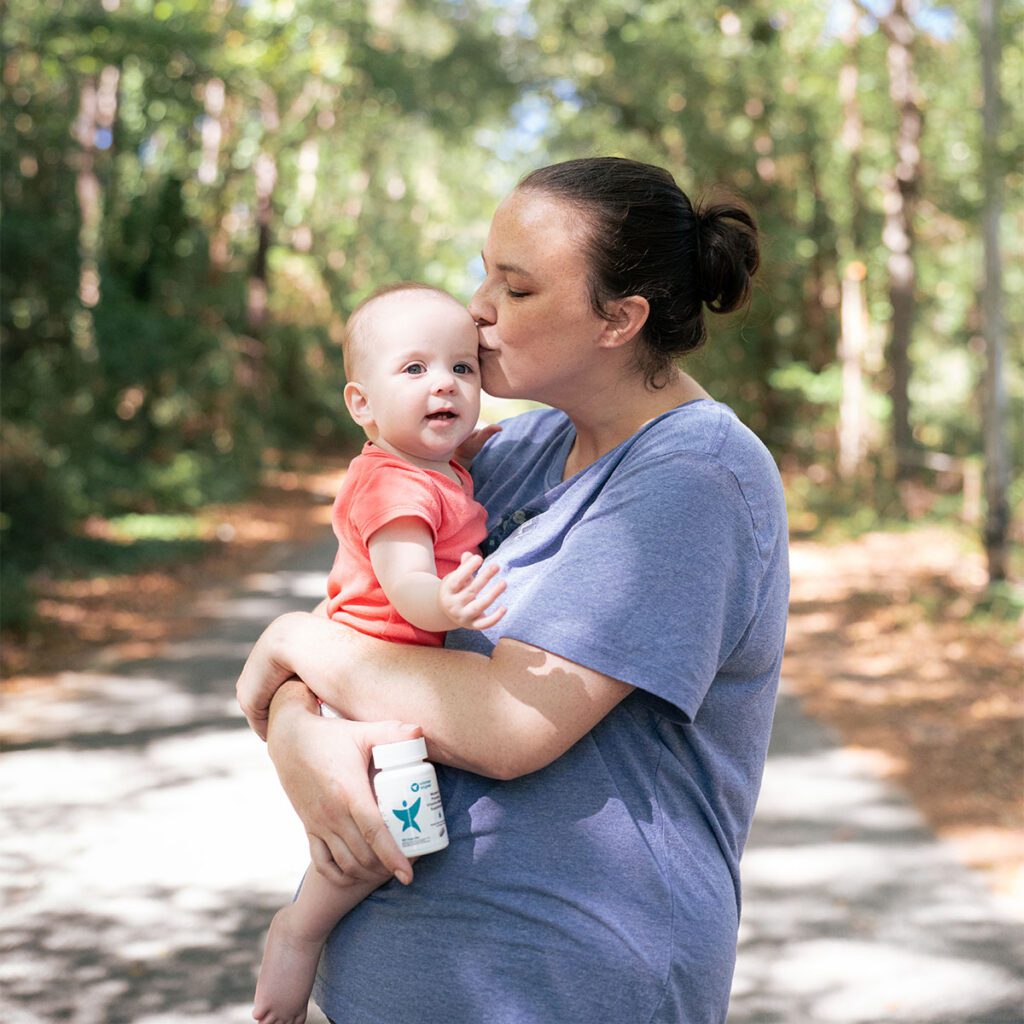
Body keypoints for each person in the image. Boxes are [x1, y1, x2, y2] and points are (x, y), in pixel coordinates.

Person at [237, 156, 790, 1024]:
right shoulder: (509, 452)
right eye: (484, 271)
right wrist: (296, 735)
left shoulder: (694, 478)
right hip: (391, 984)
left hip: (569, 986)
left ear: (621, 318)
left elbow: (506, 724)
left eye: (518, 288)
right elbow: (367, 620)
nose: (479, 306)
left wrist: (289, 644)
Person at [252, 283, 506, 1024]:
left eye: (463, 369)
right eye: (415, 369)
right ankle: (300, 929)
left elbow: (455, 463)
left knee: (401, 823)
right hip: (367, 671)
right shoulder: (392, 487)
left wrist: (467, 449)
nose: (445, 385)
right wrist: (447, 607)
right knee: (388, 832)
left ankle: (306, 922)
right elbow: (407, 581)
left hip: (386, 670)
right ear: (362, 406)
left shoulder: (432, 465)